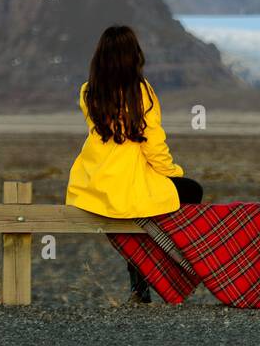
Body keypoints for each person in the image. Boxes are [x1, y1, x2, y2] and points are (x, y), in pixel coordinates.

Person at [66, 25, 203, 303]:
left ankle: (140, 286)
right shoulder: (141, 91)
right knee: (191, 191)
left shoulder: (87, 91)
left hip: (92, 184)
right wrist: (172, 174)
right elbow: (153, 143)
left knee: (139, 217)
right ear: (134, 55)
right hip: (128, 183)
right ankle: (168, 271)